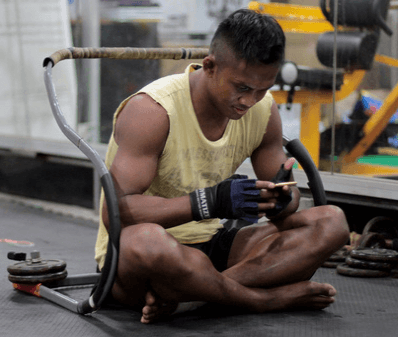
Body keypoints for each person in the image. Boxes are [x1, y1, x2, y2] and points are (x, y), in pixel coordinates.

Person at [94, 8, 350, 324]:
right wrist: (210, 202)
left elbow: (288, 205)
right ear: (210, 66)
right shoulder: (153, 110)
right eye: (242, 87)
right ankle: (261, 299)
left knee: (331, 221)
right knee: (146, 241)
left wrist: (282, 199)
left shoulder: (262, 110)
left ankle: (197, 296)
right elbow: (115, 214)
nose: (249, 101)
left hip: (216, 251)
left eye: (262, 89)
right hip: (146, 260)